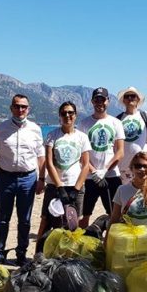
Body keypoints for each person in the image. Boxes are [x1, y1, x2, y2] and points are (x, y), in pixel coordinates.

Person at [0, 94, 45, 265]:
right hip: (5, 178)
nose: (20, 109)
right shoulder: (1, 128)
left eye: (23, 106)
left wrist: (42, 179)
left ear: (28, 109)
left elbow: (41, 155)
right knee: (3, 218)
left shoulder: (35, 129)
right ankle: (0, 251)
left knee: (25, 220)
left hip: (28, 179)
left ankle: (21, 253)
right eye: (17, 106)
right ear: (11, 108)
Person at [36, 101, 92, 250]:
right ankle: (38, 255)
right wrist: (60, 187)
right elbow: (49, 163)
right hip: (55, 186)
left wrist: (76, 189)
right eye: (64, 113)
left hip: (76, 186)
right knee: (46, 221)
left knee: (74, 224)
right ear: (59, 116)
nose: (67, 116)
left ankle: (70, 255)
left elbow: (86, 165)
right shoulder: (52, 136)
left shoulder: (82, 137)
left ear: (75, 115)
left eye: (70, 113)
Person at [77, 87, 125, 228]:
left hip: (111, 177)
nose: (100, 103)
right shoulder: (83, 124)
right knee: (84, 214)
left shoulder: (116, 123)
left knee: (115, 215)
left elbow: (120, 152)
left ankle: (111, 245)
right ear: (92, 101)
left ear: (108, 101)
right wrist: (93, 171)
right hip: (90, 177)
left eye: (102, 99)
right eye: (97, 100)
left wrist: (104, 170)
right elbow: (81, 154)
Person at [115, 76, 147, 183]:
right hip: (123, 170)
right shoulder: (117, 119)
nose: (130, 98)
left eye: (133, 96)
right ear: (123, 100)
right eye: (127, 96)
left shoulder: (146, 116)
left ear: (138, 99)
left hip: (143, 167)